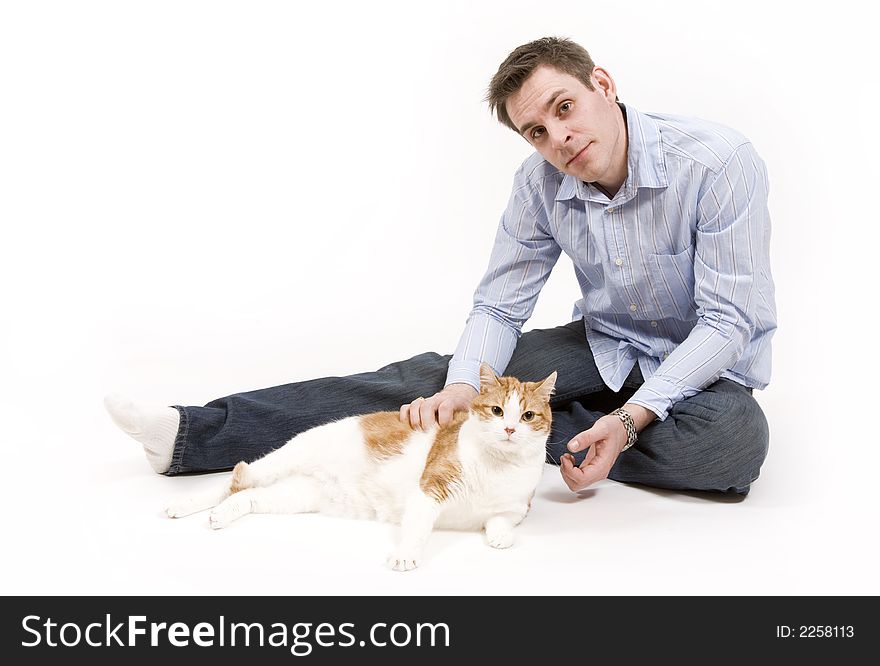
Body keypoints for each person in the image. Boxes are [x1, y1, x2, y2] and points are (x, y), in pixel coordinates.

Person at [106, 36, 776, 496]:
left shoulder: (717, 162)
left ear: (602, 84)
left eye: (564, 108)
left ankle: (518, 433)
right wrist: (462, 389)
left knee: (735, 444)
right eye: (535, 131)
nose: (557, 138)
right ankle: (192, 435)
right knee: (432, 381)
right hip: (605, 346)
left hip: (703, 367)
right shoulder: (537, 184)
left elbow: (727, 321)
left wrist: (629, 420)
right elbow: (499, 306)